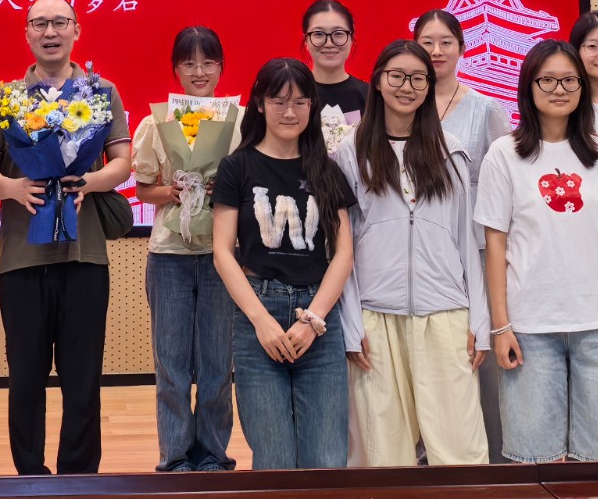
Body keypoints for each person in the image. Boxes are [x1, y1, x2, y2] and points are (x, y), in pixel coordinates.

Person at [0, 0, 133, 475]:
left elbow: (122, 163)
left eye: (59, 22)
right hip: (21, 259)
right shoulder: (3, 98)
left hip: (85, 257)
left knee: (83, 378)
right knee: (25, 377)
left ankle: (79, 478)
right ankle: (29, 476)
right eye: (39, 23)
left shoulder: (101, 92)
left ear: (76, 30)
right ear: (26, 32)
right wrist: (13, 187)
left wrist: (91, 181)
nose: (50, 32)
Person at [478, 40, 598, 464]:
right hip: (531, 327)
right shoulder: (504, 155)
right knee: (534, 459)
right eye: (547, 80)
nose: (559, 89)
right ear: (528, 86)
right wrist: (500, 326)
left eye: (569, 80)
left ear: (582, 86)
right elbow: (496, 244)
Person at [336, 40, 489, 466]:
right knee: (383, 453)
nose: (408, 86)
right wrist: (351, 323)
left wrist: (480, 319)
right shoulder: (350, 150)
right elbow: (343, 245)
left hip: (445, 314)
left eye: (418, 78)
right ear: (378, 81)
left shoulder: (451, 150)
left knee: (459, 449)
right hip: (375, 318)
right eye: (397, 76)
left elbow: (466, 239)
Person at [213, 58, 355, 469]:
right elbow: (222, 251)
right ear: (259, 104)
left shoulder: (326, 170)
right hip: (258, 312)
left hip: (318, 317)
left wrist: (313, 320)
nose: (289, 112)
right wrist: (261, 321)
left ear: (312, 106)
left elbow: (343, 253)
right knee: (274, 459)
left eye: (300, 102)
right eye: (278, 101)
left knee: (326, 460)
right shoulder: (237, 166)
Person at [132, 26, 241, 472]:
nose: (199, 72)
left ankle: (213, 456)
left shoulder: (241, 121)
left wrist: (223, 188)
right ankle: (174, 459)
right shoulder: (154, 123)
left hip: (222, 257)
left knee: (217, 367)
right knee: (171, 367)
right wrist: (173, 191)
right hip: (169, 256)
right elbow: (143, 189)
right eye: (189, 63)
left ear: (221, 67)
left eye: (208, 62)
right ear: (176, 69)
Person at [413, 7, 509, 455]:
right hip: (416, 250)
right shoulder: (400, 105)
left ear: (462, 48)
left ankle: (488, 461)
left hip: (473, 247)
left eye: (446, 42)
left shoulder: (485, 109)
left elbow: (504, 180)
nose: (436, 50)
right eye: (427, 42)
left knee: (478, 353)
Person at [302, 0, 366, 115]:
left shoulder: (370, 97)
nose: (329, 43)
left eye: (338, 33)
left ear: (352, 39)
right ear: (306, 40)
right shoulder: (292, 94)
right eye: (318, 34)